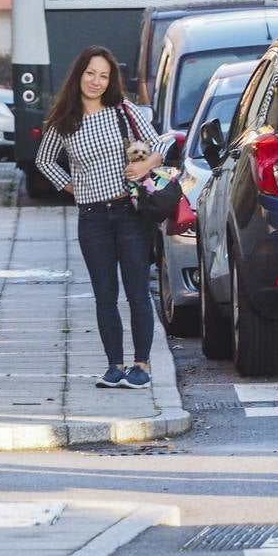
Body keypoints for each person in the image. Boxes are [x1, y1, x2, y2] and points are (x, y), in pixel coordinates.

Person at [33, 46, 169, 389]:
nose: (96, 81)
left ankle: (142, 366)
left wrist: (144, 164)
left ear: (111, 81)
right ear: (79, 74)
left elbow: (160, 145)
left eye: (104, 76)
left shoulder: (123, 111)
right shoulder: (64, 120)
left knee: (137, 292)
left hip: (129, 213)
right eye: (90, 73)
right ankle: (114, 366)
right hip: (91, 217)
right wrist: (73, 187)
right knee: (104, 295)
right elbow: (44, 161)